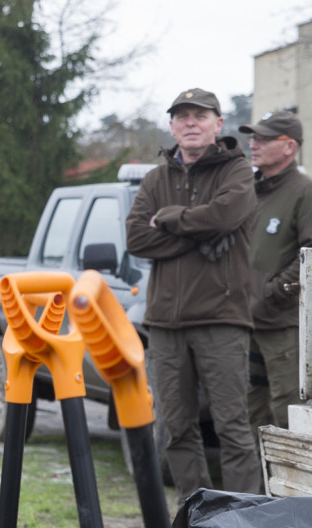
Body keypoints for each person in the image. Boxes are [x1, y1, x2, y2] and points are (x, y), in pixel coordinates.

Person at [126, 88, 263, 504]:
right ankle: (197, 519)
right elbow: (136, 237)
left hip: (222, 319)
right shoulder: (156, 178)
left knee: (232, 427)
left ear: (217, 124)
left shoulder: (236, 171)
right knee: (176, 428)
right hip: (165, 324)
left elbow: (224, 215)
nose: (190, 122)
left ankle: (243, 524)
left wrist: (168, 219)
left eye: (199, 116)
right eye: (182, 116)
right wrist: (197, 235)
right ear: (171, 125)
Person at [240, 110, 312, 435]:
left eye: (263, 139)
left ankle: (291, 487)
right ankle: (256, 487)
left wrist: (271, 293)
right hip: (247, 321)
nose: (254, 144)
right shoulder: (251, 189)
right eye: (253, 138)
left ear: (289, 146)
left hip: (282, 325)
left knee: (286, 414)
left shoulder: (307, 192)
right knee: (250, 415)